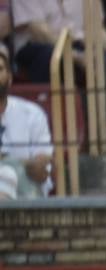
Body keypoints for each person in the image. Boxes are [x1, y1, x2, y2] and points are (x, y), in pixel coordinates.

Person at [10, 0, 106, 112]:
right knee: (52, 58)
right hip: (37, 46)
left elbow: (97, 26)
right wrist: (76, 57)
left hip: (77, 41)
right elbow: (39, 31)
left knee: (105, 58)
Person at [0, 46, 52, 197]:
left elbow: (41, 170)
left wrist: (11, 163)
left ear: (9, 79)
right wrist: (23, 162)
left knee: (7, 173)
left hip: (27, 188)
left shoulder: (32, 114)